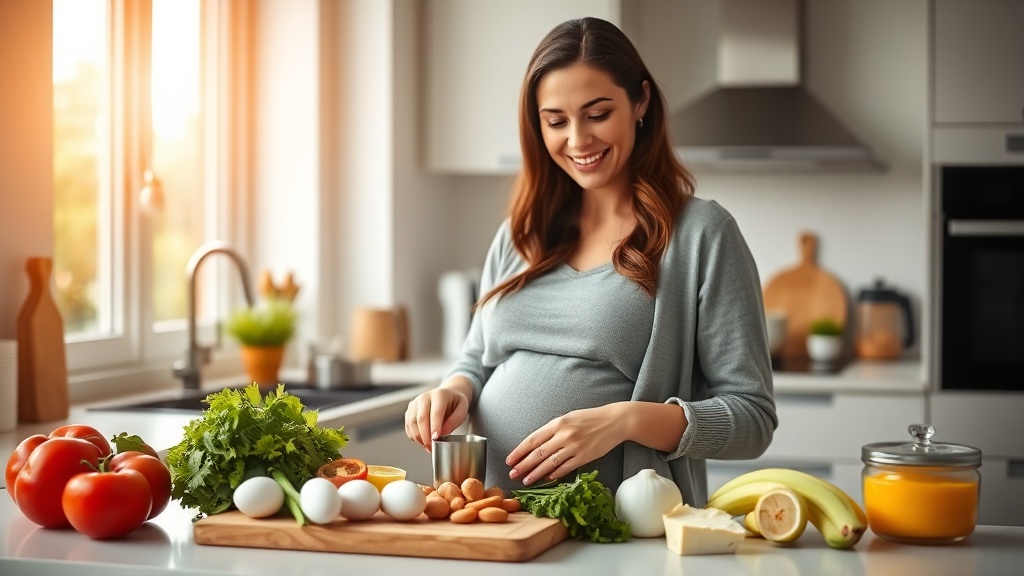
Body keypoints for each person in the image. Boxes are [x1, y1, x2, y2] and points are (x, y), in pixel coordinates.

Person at [405, 17, 776, 506]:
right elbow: (476, 359)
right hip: (495, 524)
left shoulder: (702, 235)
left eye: (597, 113)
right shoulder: (520, 233)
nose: (578, 140)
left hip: (618, 534)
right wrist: (454, 389)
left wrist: (624, 420)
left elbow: (751, 418)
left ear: (640, 102)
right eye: (556, 121)